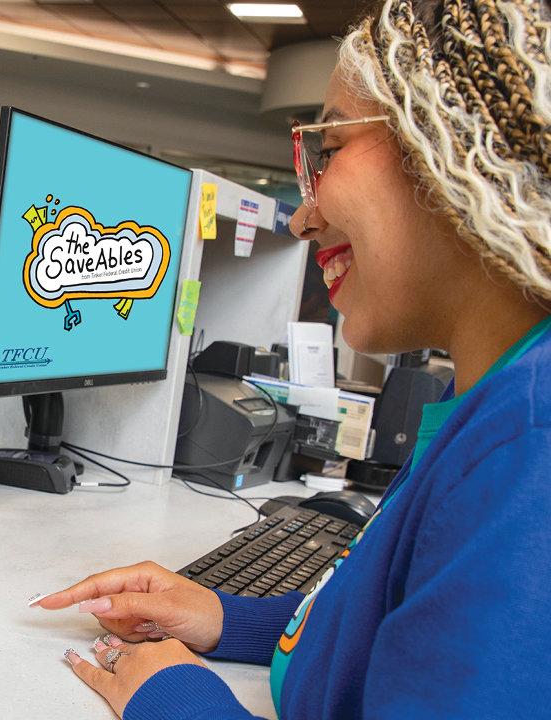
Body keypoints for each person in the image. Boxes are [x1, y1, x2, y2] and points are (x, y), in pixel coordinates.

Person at [35, 0, 551, 717]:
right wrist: (231, 619)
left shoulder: (532, 444)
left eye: (328, 151)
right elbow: (412, 619)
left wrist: (176, 699)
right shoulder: (504, 398)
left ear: (454, 146)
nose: (303, 218)